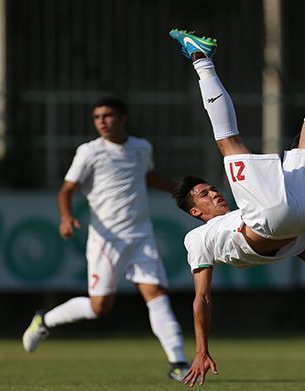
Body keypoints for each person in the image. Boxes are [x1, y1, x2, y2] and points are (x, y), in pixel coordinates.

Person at [169, 5, 305, 387]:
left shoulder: (263, 220)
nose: (213, 193)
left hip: (301, 218)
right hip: (264, 220)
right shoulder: (196, 239)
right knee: (229, 142)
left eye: (211, 188)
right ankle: (200, 59)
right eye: (204, 195)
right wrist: (201, 346)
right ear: (195, 212)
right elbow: (202, 299)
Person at [21, 96, 191, 381]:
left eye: (108, 115)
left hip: (140, 236)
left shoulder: (141, 147)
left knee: (157, 296)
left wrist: (179, 191)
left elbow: (147, 176)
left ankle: (179, 363)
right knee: (100, 307)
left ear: (123, 118)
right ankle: (45, 320)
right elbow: (66, 190)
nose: (102, 121)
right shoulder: (89, 152)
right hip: (105, 239)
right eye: (97, 116)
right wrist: (65, 217)